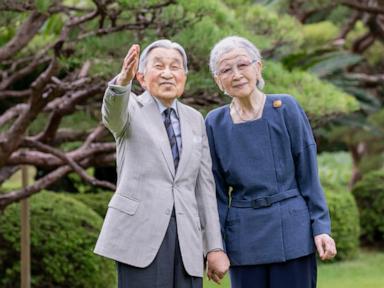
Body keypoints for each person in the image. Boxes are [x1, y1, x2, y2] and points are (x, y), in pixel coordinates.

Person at [94, 40, 230, 288]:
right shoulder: (130, 108)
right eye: (159, 66)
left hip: (187, 239)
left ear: (184, 78)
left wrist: (214, 246)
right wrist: (122, 81)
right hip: (140, 235)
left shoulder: (195, 119)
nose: (168, 73)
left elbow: (205, 188)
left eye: (175, 67)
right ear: (142, 77)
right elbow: (112, 114)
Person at [205, 36, 337, 288]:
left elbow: (309, 176)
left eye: (242, 65)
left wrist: (321, 227)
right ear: (217, 80)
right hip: (244, 237)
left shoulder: (285, 108)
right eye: (226, 69)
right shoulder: (214, 123)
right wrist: (215, 247)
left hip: (293, 230)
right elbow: (215, 194)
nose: (236, 74)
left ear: (258, 67)